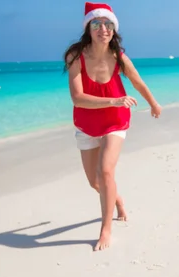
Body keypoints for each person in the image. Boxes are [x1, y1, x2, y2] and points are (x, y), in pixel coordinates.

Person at [64, 2, 162, 250]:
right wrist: (113, 99)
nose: (103, 29)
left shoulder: (118, 56)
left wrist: (153, 103)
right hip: (86, 124)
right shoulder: (75, 56)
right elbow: (77, 98)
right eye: (97, 24)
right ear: (89, 28)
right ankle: (116, 199)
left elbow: (137, 82)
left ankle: (105, 230)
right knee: (94, 182)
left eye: (108, 25)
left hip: (115, 121)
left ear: (113, 29)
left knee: (105, 171)